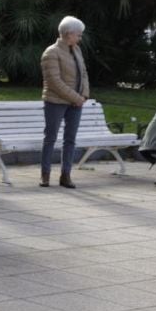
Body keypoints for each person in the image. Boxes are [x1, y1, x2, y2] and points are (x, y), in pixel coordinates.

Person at [38, 16, 90, 189]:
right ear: (69, 34)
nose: (80, 38)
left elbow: (84, 73)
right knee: (50, 138)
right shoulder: (51, 52)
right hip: (55, 101)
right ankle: (45, 175)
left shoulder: (76, 50)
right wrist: (76, 98)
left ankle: (66, 175)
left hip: (76, 103)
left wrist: (84, 95)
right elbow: (54, 81)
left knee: (70, 139)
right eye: (78, 34)